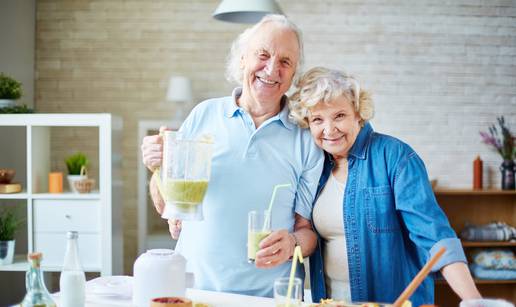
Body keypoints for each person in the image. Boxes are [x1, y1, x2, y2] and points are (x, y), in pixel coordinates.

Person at [141, 15, 324, 297]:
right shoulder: (203, 115)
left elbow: (308, 230)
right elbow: (166, 198)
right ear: (242, 59)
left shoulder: (305, 137)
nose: (272, 69)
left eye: (285, 61)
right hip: (195, 290)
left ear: (294, 72)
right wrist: (157, 167)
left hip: (270, 297)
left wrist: (292, 244)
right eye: (262, 55)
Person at [288, 67, 482, 306]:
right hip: (329, 301)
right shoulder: (315, 169)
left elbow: (436, 237)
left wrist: (474, 300)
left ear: (358, 114)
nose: (329, 130)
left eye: (339, 116)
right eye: (318, 119)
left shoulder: (396, 157)